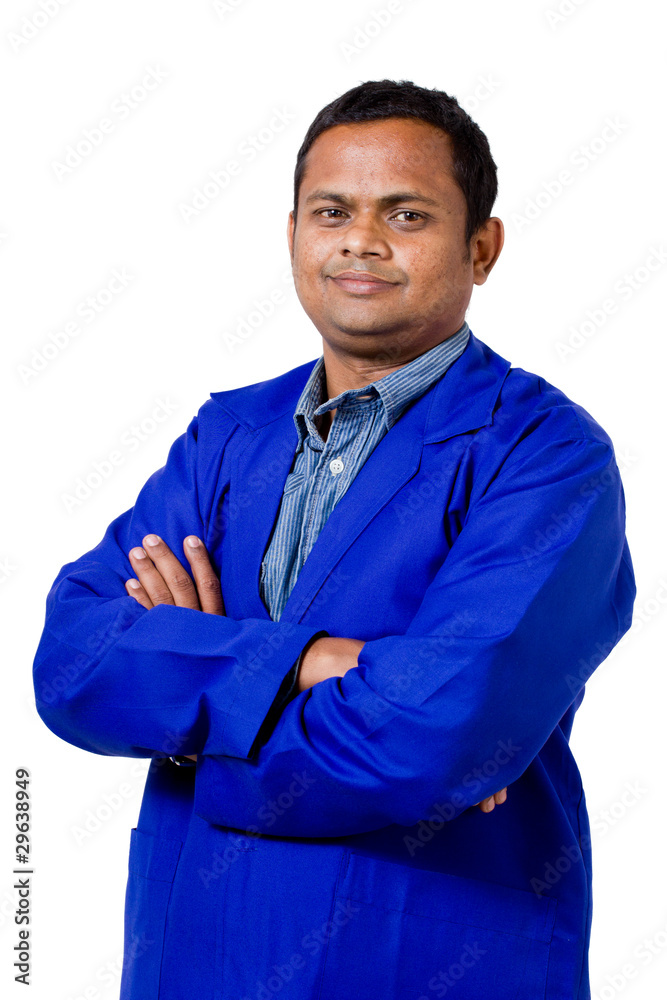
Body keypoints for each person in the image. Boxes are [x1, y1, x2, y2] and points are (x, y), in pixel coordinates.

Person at [33, 79, 636, 1000]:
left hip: (420, 954)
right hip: (195, 950)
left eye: (406, 213)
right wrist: (317, 662)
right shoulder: (228, 436)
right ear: (292, 236)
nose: (361, 239)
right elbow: (73, 662)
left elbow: (435, 740)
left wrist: (190, 732)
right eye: (331, 211)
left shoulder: (546, 457)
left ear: (481, 247)